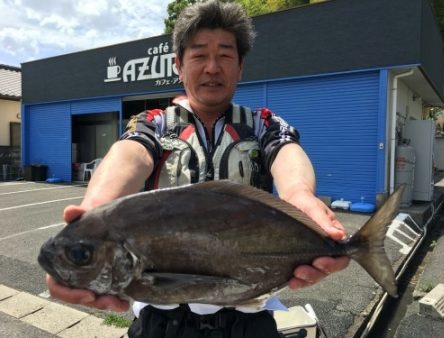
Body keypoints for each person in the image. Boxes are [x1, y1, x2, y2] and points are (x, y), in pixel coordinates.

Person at [46, 1, 349, 337]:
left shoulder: (263, 124)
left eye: (224, 55)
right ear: (179, 65)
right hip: (161, 324)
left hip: (249, 318)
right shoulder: (154, 124)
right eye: (199, 55)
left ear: (240, 67)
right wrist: (92, 215)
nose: (212, 67)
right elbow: (129, 155)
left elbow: (287, 153)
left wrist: (299, 194)